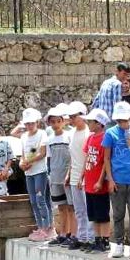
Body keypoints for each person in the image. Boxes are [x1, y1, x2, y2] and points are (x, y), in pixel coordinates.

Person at [103, 102, 130, 258]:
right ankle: (119, 243)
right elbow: (106, 158)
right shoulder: (110, 133)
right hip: (117, 179)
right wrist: (110, 180)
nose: (122, 123)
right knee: (118, 213)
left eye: (124, 120)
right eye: (119, 120)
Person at [18, 108, 53, 241]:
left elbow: (42, 153)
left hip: (40, 171)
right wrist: (22, 163)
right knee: (33, 200)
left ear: (37, 122)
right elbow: (23, 154)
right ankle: (40, 227)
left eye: (32, 123)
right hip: (29, 172)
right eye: (27, 124)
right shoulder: (23, 136)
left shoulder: (42, 134)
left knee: (41, 199)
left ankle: (47, 227)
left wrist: (29, 161)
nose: (29, 126)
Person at [44, 105, 76, 245]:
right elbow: (49, 159)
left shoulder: (68, 136)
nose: (56, 124)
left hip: (67, 177)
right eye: (53, 122)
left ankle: (71, 233)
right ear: (49, 123)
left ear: (63, 122)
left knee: (70, 206)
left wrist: (70, 174)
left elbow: (72, 157)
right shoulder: (49, 140)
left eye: (58, 121)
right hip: (55, 176)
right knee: (61, 207)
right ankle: (62, 233)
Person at [82, 109, 113, 253]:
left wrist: (100, 181)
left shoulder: (104, 138)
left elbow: (104, 162)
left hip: (99, 183)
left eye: (90, 122)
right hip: (89, 181)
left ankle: (105, 240)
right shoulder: (89, 138)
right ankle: (97, 239)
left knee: (102, 214)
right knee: (93, 214)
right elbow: (87, 157)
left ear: (99, 123)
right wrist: (82, 176)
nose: (88, 124)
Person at [65, 102, 95, 250]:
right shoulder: (71, 133)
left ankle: (91, 238)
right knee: (79, 209)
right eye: (70, 117)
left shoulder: (89, 133)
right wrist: (69, 174)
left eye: (74, 116)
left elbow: (89, 156)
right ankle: (81, 237)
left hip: (87, 176)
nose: (71, 119)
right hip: (75, 175)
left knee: (88, 208)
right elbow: (72, 156)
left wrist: (83, 176)